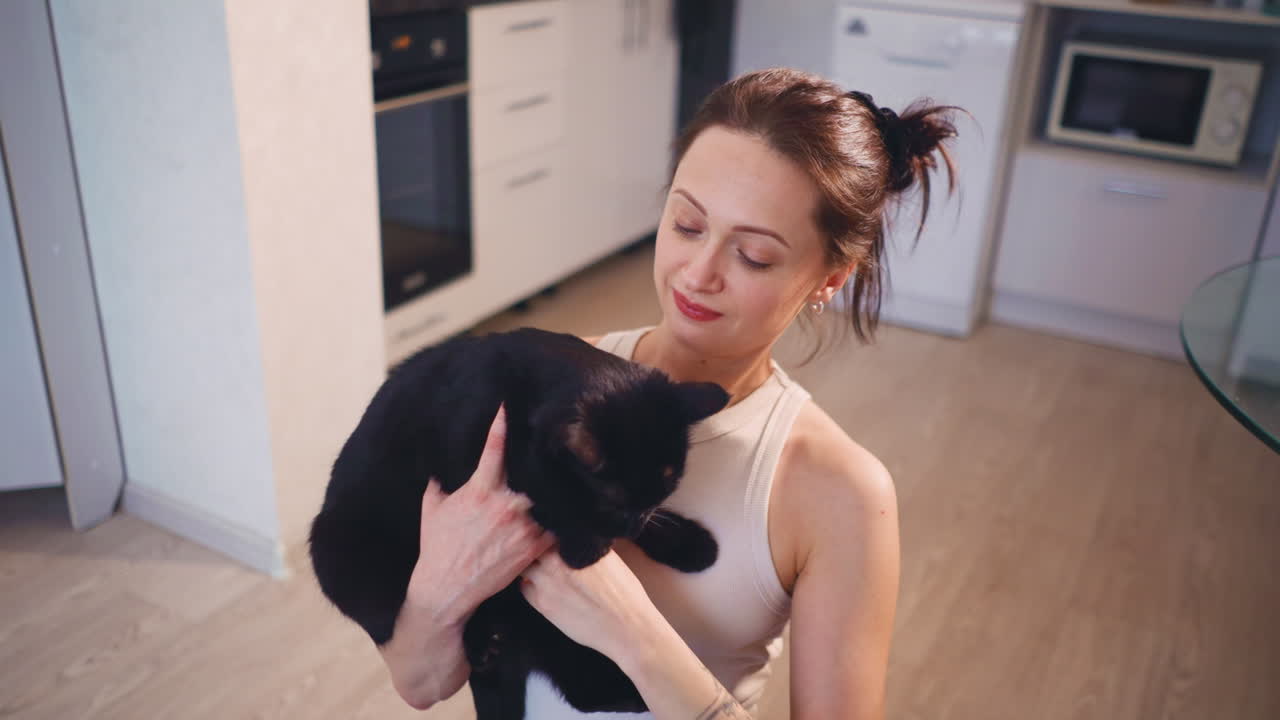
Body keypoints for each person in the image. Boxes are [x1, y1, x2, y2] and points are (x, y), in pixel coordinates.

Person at [376, 68, 958, 719]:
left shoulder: (839, 494)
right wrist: (441, 588)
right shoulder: (538, 387)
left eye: (754, 256)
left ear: (831, 279)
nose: (699, 273)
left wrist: (635, 635)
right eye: (686, 224)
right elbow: (419, 682)